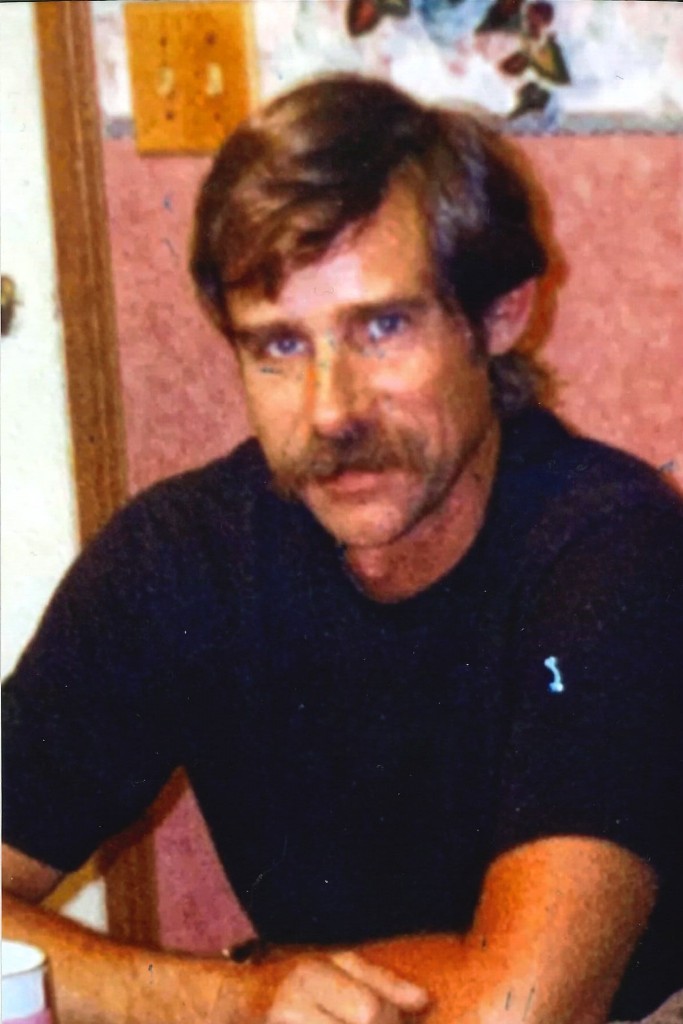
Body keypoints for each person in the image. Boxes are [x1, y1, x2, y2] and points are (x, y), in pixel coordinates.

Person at [3, 73, 682, 1024]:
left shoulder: (614, 552)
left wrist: (282, 984)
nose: (332, 411)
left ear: (498, 315)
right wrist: (238, 997)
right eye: (279, 346)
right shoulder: (179, 557)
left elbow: (523, 1007)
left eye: (382, 327)